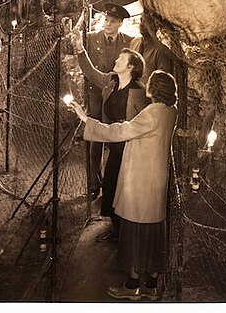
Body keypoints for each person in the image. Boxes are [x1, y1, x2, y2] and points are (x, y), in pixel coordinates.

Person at [68, 71, 178, 301]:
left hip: (141, 181)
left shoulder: (152, 113)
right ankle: (151, 284)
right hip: (155, 180)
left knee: (134, 232)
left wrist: (86, 120)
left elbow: (120, 132)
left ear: (155, 89)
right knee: (152, 233)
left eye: (151, 83)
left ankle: (132, 285)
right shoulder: (170, 111)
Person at [71, 30, 148, 243]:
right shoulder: (112, 82)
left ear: (131, 67)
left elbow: (141, 125)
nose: (116, 60)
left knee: (125, 188)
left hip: (130, 147)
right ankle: (116, 229)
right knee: (112, 185)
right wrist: (79, 49)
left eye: (121, 59)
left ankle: (125, 234)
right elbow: (91, 72)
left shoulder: (138, 92)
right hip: (115, 143)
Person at [84, 3, 132, 200]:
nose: (108, 24)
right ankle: (94, 182)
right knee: (96, 138)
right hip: (96, 95)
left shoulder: (129, 42)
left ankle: (114, 181)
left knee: (116, 136)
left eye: (112, 21)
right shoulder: (90, 39)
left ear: (120, 23)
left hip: (116, 97)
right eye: (106, 20)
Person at [129, 11, 176, 82]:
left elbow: (162, 81)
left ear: (155, 25)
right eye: (141, 20)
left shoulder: (161, 50)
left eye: (146, 22)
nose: (141, 24)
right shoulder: (134, 42)